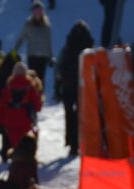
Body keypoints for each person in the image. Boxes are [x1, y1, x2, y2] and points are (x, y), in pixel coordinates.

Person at [56, 20, 94, 156]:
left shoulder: (67, 48)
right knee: (81, 115)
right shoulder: (89, 50)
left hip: (68, 85)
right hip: (83, 86)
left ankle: (71, 142)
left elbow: (59, 67)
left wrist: (58, 85)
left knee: (69, 115)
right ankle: (80, 142)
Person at [0, 62, 42, 161]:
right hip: (25, 118)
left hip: (10, 118)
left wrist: (0, 121)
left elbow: (2, 106)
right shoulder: (30, 86)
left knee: (14, 142)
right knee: (24, 141)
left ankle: (15, 160)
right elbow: (37, 106)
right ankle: (24, 160)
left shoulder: (8, 86)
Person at [13, 1, 54, 98]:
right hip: (32, 55)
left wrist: (51, 57)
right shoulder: (28, 25)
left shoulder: (46, 26)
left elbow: (49, 42)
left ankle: (40, 98)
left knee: (41, 78)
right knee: (32, 77)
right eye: (36, 11)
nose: (37, 14)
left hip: (43, 55)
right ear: (32, 12)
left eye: (40, 11)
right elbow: (21, 38)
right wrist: (14, 51)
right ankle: (31, 97)